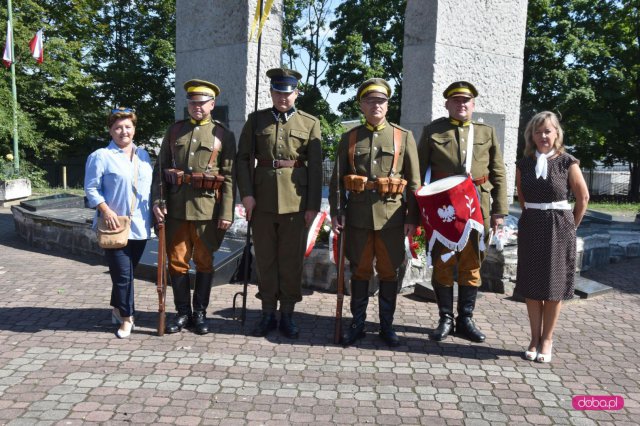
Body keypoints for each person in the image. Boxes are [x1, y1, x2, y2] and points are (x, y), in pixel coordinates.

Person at [329, 78, 420, 347]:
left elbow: (414, 182)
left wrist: (413, 218)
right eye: (370, 100)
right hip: (357, 217)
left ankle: (386, 326)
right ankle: (357, 324)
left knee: (390, 271)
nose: (375, 105)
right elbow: (337, 179)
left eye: (380, 101)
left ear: (387, 105)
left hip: (392, 218)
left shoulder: (403, 137)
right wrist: (337, 211)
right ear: (361, 105)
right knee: (360, 271)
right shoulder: (350, 137)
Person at [417, 81, 508, 343]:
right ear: (447, 104)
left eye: (466, 100)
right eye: (456, 100)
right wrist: (418, 213)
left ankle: (465, 319)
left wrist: (499, 210)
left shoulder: (486, 132)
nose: (461, 104)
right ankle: (445, 318)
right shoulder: (434, 130)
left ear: (473, 104)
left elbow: (498, 172)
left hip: (475, 207)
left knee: (471, 264)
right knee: (444, 262)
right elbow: (420, 174)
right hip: (444, 208)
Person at [236, 67, 322, 339]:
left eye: (288, 92)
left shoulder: (310, 123)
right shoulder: (256, 120)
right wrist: (247, 194)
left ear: (296, 93)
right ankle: (267, 312)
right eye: (277, 92)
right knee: (265, 259)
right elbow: (242, 159)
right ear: (271, 92)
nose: (282, 97)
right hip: (261, 200)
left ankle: (287, 314)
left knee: (290, 260)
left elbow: (317, 168)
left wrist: (312, 205)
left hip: (296, 202)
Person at [152, 79, 236, 335]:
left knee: (204, 261)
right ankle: (182, 313)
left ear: (212, 104)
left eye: (202, 103)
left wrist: (226, 212)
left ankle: (200, 313)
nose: (197, 107)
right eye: (192, 102)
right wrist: (157, 201)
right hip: (176, 210)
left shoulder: (223, 134)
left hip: (207, 210)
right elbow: (160, 170)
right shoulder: (175, 131)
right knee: (176, 262)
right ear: (187, 104)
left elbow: (230, 177)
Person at [515, 111, 589, 363]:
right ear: (531, 136)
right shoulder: (524, 163)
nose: (543, 136)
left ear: (557, 133)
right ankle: (534, 338)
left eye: (548, 130)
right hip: (532, 226)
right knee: (532, 286)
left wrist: (571, 226)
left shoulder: (568, 162)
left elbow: (583, 198)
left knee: (553, 287)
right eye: (538, 131)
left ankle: (547, 339)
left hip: (559, 228)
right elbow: (522, 197)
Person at [85, 107, 153, 339]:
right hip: (114, 225)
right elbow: (91, 188)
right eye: (118, 128)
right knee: (123, 275)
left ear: (134, 129)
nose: (123, 131)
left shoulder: (143, 155)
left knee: (126, 273)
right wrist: (105, 210)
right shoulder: (100, 156)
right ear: (110, 131)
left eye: (127, 127)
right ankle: (127, 318)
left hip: (141, 226)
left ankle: (116, 308)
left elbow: (149, 188)